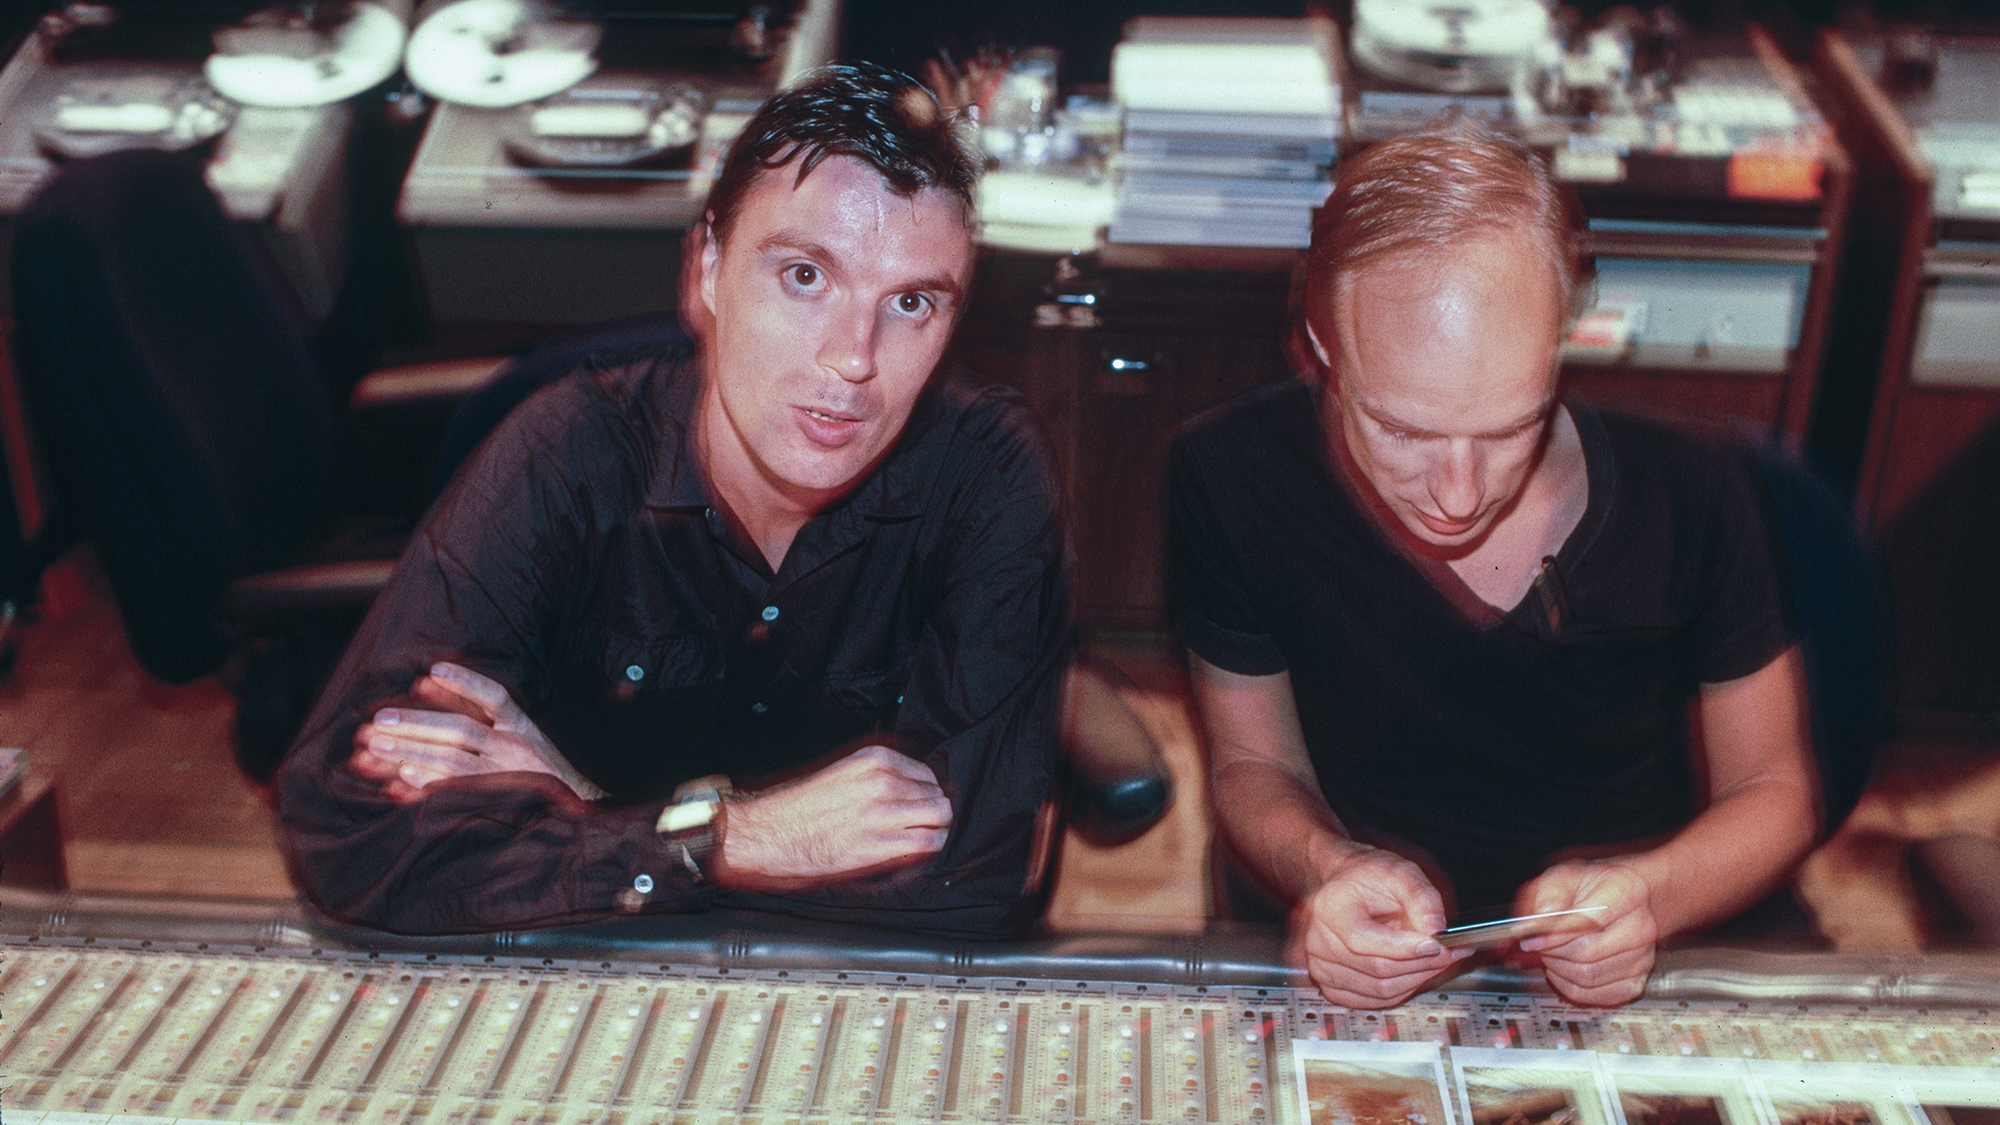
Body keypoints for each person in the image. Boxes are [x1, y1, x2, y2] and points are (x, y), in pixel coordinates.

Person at [275, 63, 1070, 939]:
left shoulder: (985, 473)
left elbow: (970, 883)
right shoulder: (567, 453)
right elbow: (347, 830)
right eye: (805, 276)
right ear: (708, 269)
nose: (853, 360)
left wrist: (588, 808)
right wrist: (737, 838)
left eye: (912, 303)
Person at [1166, 124, 1819, 1009]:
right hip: (1368, 957)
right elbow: (1255, 768)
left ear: (1565, 341)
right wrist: (1331, 865)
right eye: (1402, 429)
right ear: (1321, 346)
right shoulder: (1230, 473)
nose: (1459, 492)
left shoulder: (1696, 488)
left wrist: (1651, 896)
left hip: (1659, 944)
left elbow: (1775, 791)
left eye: (1512, 425)